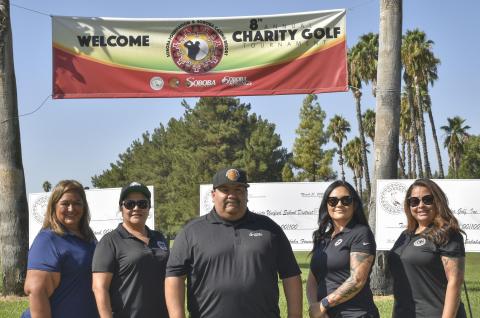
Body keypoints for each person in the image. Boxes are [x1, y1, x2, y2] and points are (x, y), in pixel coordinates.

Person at [165, 167, 302, 318]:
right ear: (213, 194)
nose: (232, 195)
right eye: (225, 189)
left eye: (238, 189)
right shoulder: (191, 232)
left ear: (246, 194)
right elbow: (174, 277)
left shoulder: (269, 229)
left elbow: (291, 275)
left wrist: (295, 315)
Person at [388, 178, 467, 318]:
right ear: (409, 205)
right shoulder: (405, 235)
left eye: (427, 199)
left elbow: (455, 282)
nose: (421, 205)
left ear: (437, 201)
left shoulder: (447, 233)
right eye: (414, 201)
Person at [92, 182, 169, 318]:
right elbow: (99, 288)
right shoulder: (110, 241)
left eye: (142, 204)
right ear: (121, 208)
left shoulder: (159, 237)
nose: (136, 208)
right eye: (129, 204)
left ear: (148, 207)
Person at [22, 180, 99, 318]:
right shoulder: (48, 240)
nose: (71, 208)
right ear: (54, 206)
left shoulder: (89, 238)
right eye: (65, 203)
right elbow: (36, 291)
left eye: (77, 203)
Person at [307, 180, 379, 318]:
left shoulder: (361, 233)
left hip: (356, 314)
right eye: (333, 201)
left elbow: (357, 280)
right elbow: (312, 279)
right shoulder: (322, 238)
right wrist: (315, 308)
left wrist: (323, 304)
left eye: (346, 200)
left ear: (355, 204)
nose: (339, 204)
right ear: (327, 205)